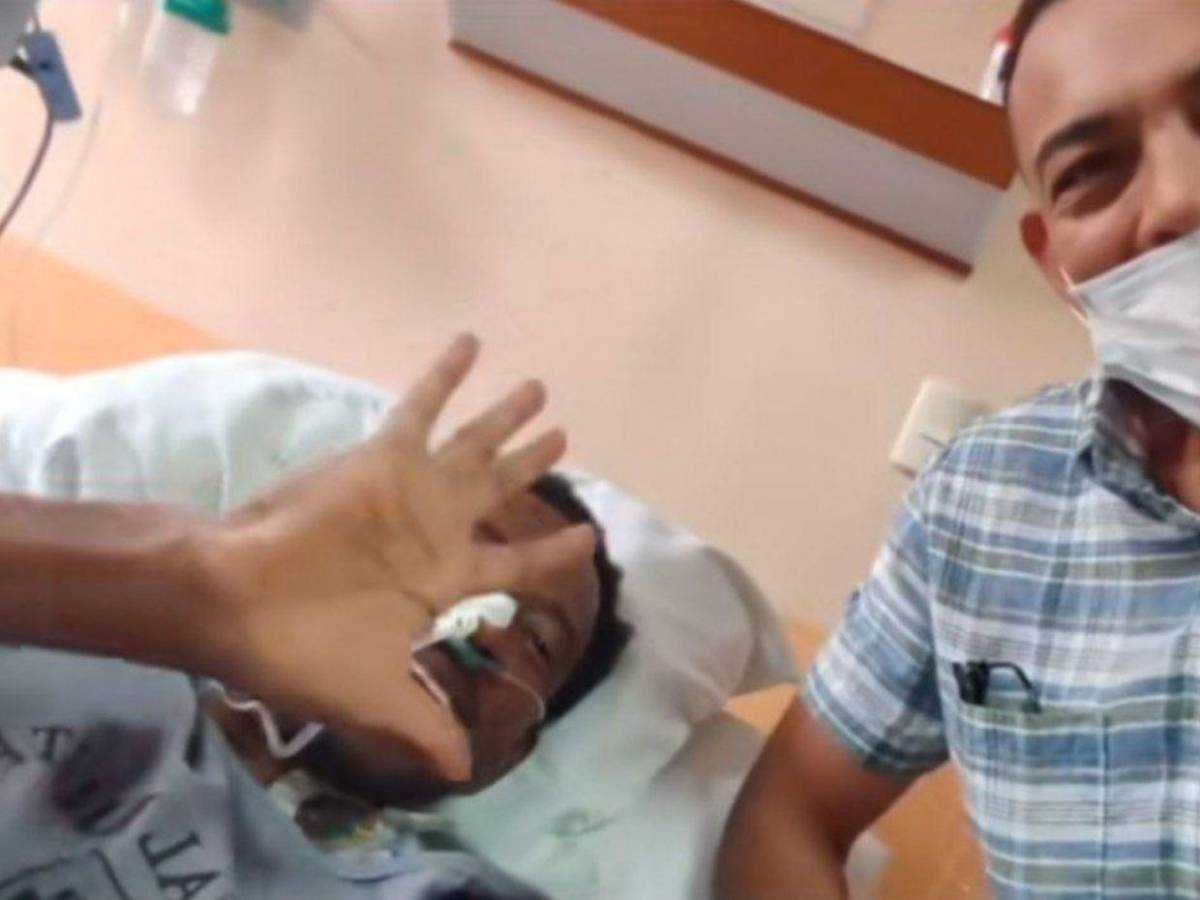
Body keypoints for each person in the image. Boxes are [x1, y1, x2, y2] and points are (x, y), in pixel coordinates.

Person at [717, 1, 1200, 896]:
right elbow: (788, 813)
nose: (1180, 197)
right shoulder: (977, 504)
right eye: (1092, 171)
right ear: (1056, 265)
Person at [0, 352, 631, 899]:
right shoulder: (67, 631)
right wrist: (203, 581)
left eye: (539, 641)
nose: (487, 625)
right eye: (457, 563)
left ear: (512, 754)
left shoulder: (440, 890)